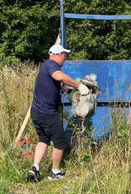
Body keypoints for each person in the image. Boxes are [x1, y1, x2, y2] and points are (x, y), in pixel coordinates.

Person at [27, 44, 90, 182]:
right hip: (46, 113)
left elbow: (55, 83)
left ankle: (35, 168)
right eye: (65, 56)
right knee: (60, 142)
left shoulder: (45, 66)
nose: (65, 59)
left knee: (43, 140)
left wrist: (66, 89)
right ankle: (55, 172)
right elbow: (59, 76)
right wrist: (78, 85)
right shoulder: (51, 65)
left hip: (36, 112)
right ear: (59, 54)